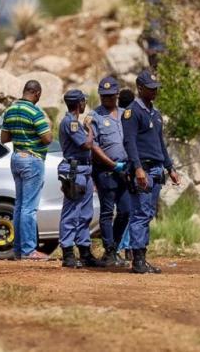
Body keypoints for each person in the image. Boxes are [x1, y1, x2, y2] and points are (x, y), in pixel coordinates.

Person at [123, 70, 180, 274]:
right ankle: (137, 260)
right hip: (142, 170)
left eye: (156, 88)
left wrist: (170, 167)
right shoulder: (132, 112)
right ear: (140, 88)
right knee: (140, 214)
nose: (155, 91)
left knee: (148, 214)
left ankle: (143, 257)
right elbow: (129, 142)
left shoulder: (155, 114)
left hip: (156, 170)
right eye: (150, 88)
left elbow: (160, 144)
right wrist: (137, 168)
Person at [0, 80, 53, 260]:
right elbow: (47, 139)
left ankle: (19, 249)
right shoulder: (35, 112)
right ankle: (30, 250)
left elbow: (4, 138)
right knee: (29, 208)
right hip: (32, 160)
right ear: (37, 93)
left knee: (19, 206)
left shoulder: (10, 110)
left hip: (16, 158)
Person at [58, 90, 105, 268]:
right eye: (83, 101)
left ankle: (85, 252)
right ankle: (68, 253)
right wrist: (90, 128)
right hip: (74, 171)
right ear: (79, 103)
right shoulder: (71, 123)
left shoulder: (74, 122)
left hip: (84, 170)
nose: (85, 103)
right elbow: (86, 144)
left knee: (85, 213)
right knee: (71, 213)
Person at [89, 77, 130, 267]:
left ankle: (115, 246)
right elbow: (93, 146)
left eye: (110, 96)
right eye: (103, 96)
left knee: (126, 211)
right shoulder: (94, 117)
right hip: (106, 171)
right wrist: (112, 165)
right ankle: (110, 251)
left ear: (117, 95)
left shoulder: (125, 114)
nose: (106, 99)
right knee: (107, 212)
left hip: (125, 170)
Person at [117, 88, 136, 262]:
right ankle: (127, 246)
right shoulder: (132, 117)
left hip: (113, 166)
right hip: (130, 167)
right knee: (131, 210)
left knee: (119, 211)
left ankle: (118, 246)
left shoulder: (115, 116)